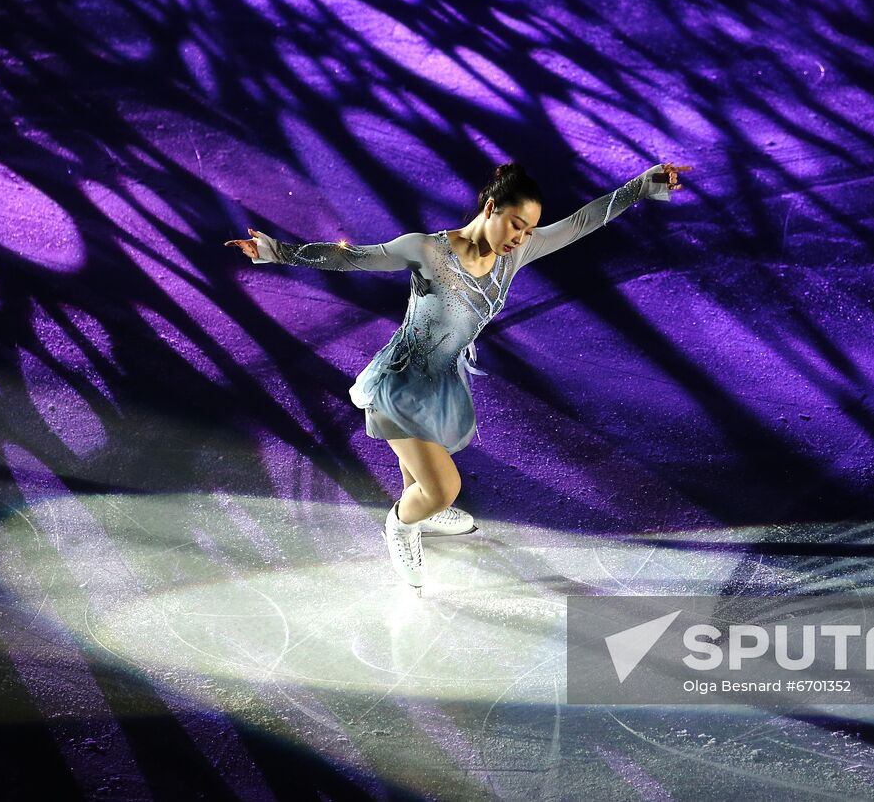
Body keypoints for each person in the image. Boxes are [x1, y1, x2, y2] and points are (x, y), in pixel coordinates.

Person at [226, 161, 690, 594]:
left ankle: (422, 505)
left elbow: (581, 222)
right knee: (443, 486)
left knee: (426, 471)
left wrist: (642, 185)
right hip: (401, 381)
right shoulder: (427, 249)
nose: (521, 236)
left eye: (529, 229)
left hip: (442, 381)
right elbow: (354, 258)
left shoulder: (515, 254)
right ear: (491, 209)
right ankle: (402, 523)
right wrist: (275, 250)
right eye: (515, 223)